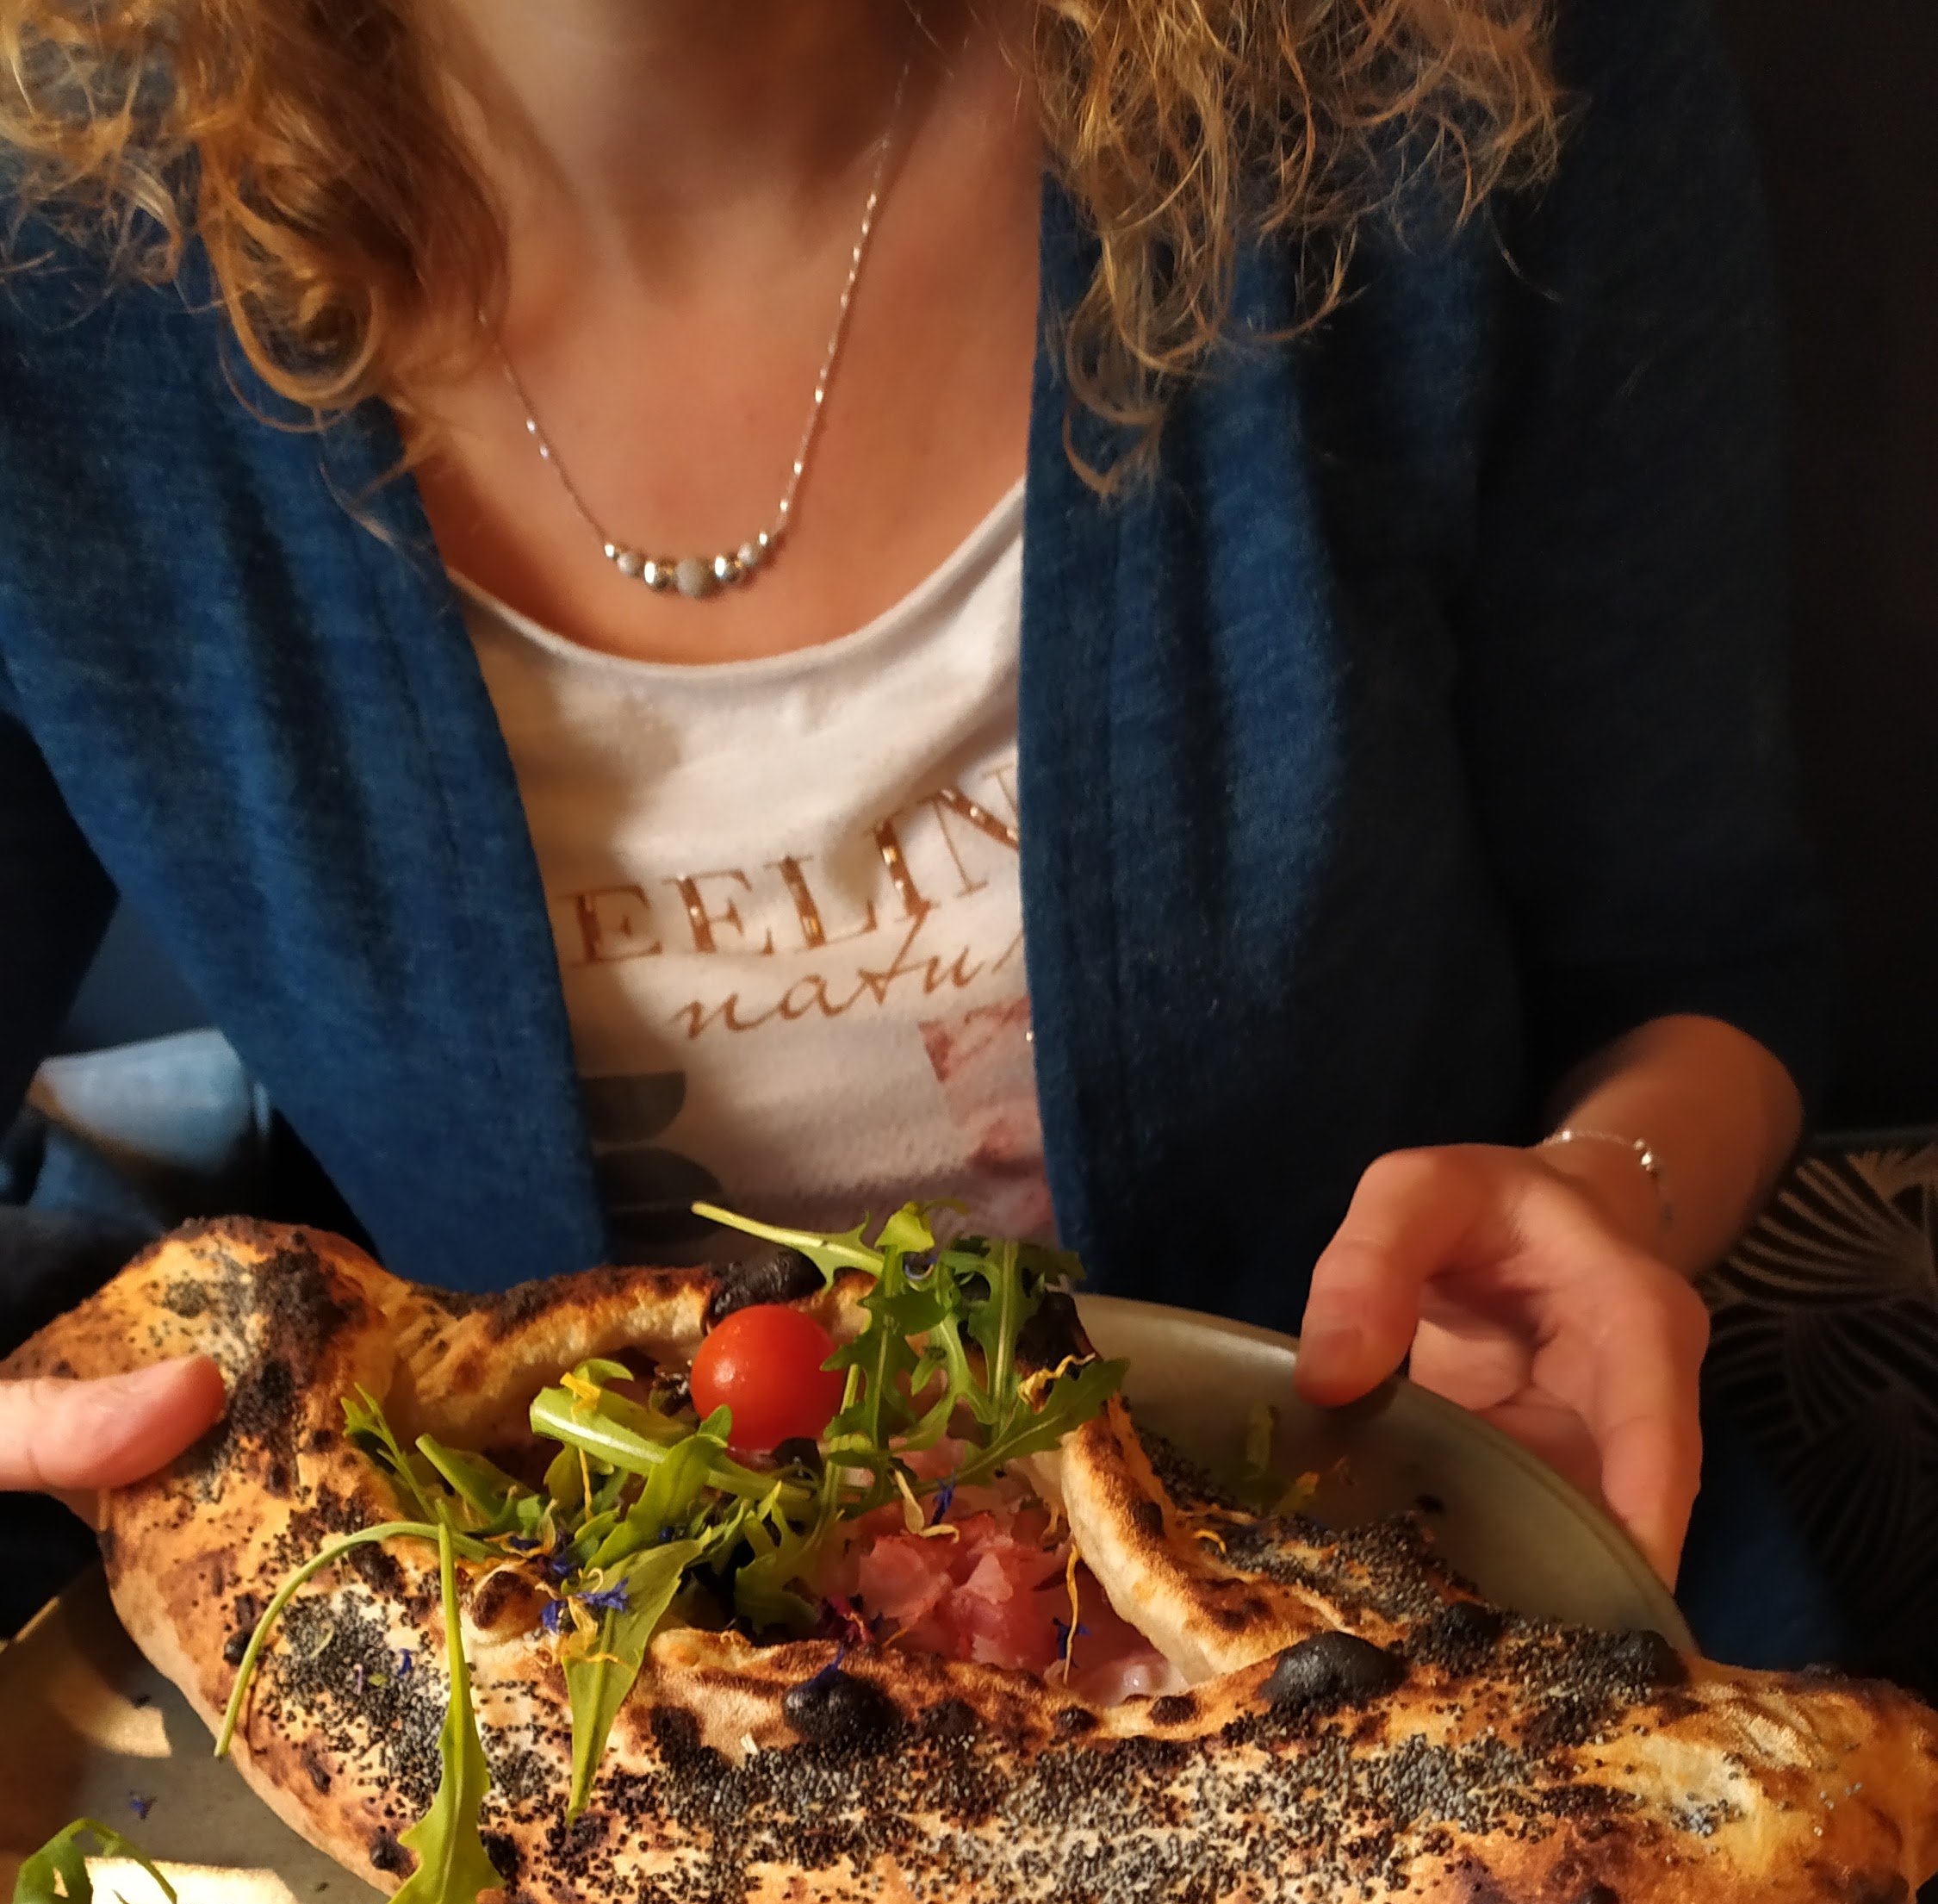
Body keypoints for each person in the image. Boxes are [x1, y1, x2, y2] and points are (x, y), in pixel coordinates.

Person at [0, 0, 1827, 1645]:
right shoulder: (46, 274)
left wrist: (1608, 1188)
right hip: (548, 1707)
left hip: (1410, 1602)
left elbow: (1700, 972)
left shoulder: (1465, 68)